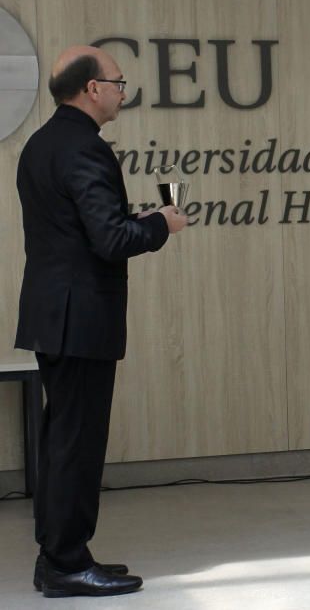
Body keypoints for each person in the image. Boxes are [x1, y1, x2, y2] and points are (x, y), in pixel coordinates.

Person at [15, 45, 188, 597]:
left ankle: (61, 557)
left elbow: (80, 233)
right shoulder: (86, 150)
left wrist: (133, 220)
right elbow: (110, 240)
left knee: (62, 441)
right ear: (92, 89)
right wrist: (162, 224)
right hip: (80, 317)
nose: (122, 91)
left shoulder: (41, 145)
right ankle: (66, 563)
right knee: (76, 445)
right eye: (118, 82)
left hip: (53, 314)